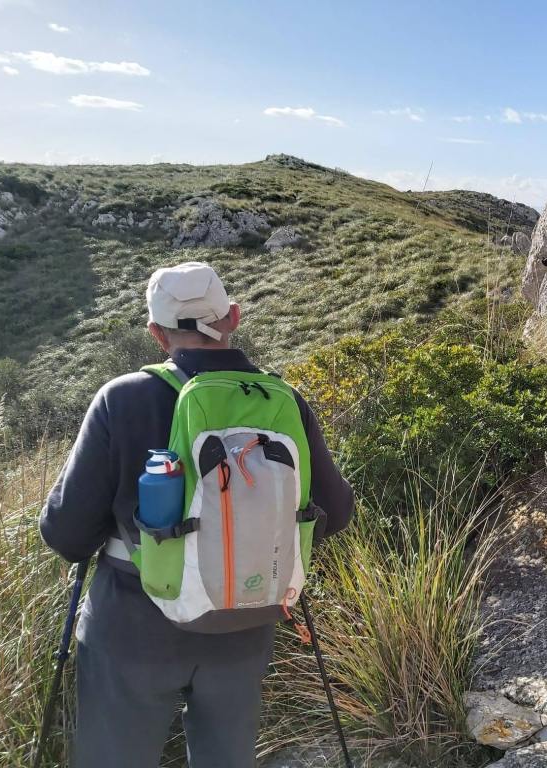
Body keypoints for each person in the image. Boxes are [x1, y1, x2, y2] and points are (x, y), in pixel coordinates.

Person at [39, 261, 354, 768]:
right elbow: (336, 514)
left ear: (156, 333)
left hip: (133, 630)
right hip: (245, 622)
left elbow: (66, 534)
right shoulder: (284, 400)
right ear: (233, 317)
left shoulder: (121, 399)